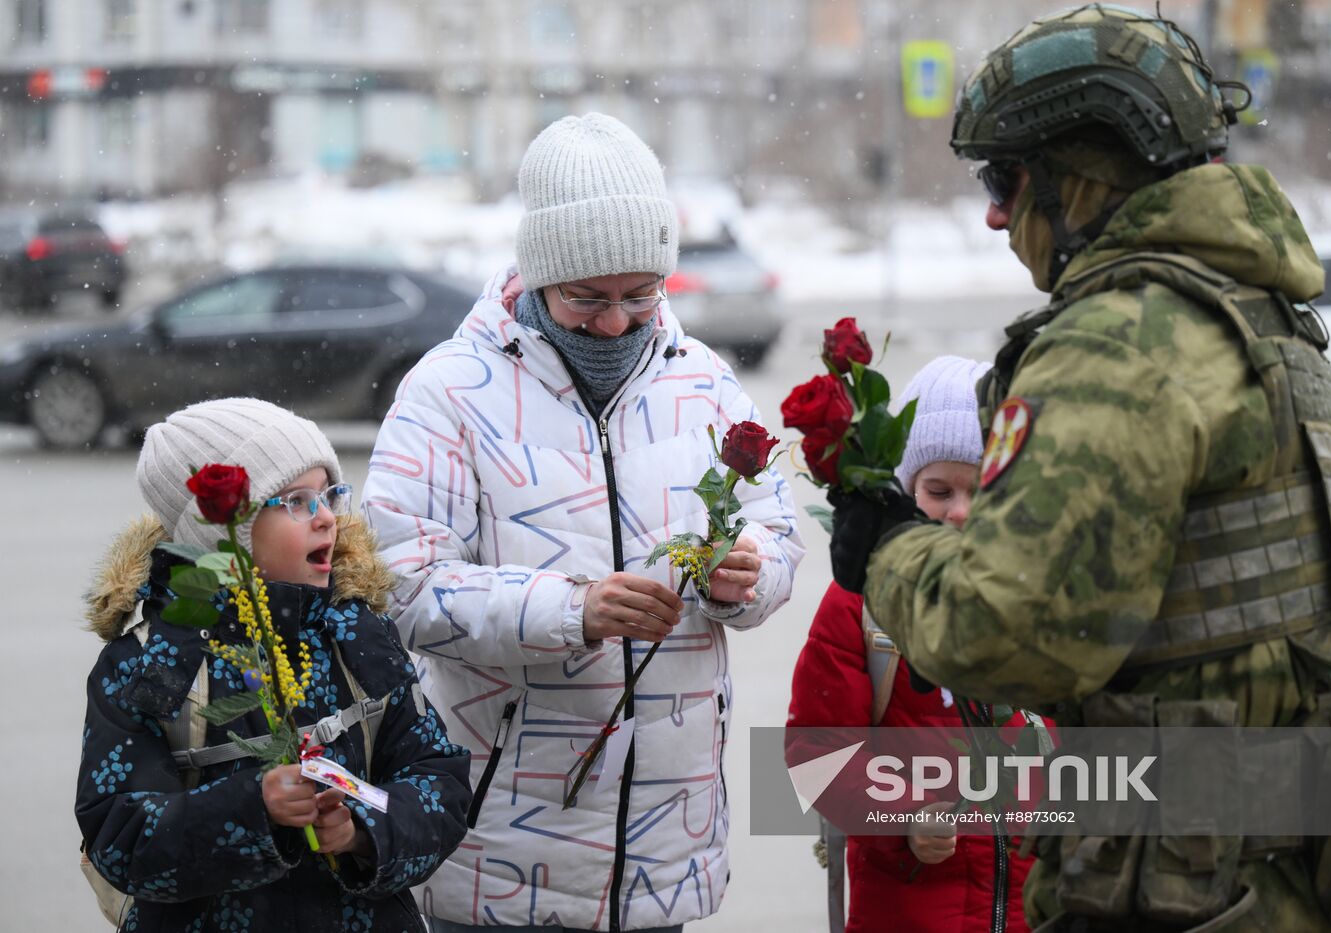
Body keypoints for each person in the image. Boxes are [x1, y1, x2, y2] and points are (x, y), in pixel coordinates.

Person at [826, 6, 1331, 932]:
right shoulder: (1269, 322)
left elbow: (1008, 635)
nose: (993, 212)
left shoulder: (1123, 341)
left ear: (1082, 181)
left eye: (1007, 179)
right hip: (1309, 867)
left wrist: (889, 554)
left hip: (1195, 880)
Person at [362, 113, 804, 932]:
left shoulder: (702, 382)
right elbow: (398, 585)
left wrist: (748, 572)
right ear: (536, 278)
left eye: (641, 295)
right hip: (500, 845)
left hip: (665, 844)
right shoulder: (449, 392)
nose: (615, 323)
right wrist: (572, 611)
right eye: (587, 299)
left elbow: (776, 527)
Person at [75, 397, 474, 932]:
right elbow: (119, 836)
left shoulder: (356, 632)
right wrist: (251, 808)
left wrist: (362, 829)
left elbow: (438, 778)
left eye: (330, 494)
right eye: (296, 501)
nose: (327, 517)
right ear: (222, 531)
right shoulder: (151, 665)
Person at [789, 356, 1043, 933]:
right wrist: (903, 819)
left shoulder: (1045, 597)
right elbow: (817, 754)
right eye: (938, 490)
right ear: (905, 489)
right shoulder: (861, 603)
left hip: (1041, 904)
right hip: (910, 907)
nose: (959, 513)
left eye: (981, 491)